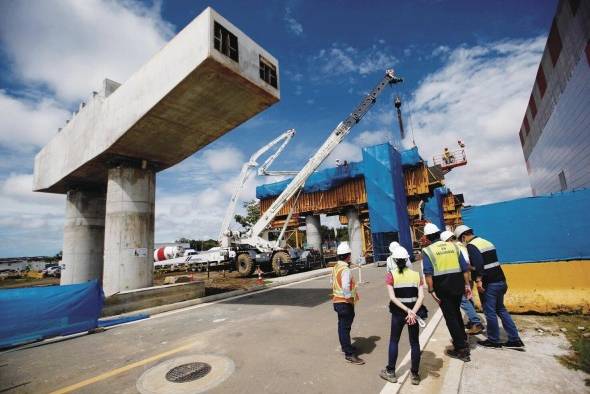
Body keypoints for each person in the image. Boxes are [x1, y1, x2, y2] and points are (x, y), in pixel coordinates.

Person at [454, 225, 525, 350]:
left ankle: (493, 340)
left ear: (464, 237)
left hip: (489, 283)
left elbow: (479, 264)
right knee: (501, 310)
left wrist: (478, 279)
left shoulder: (472, 245)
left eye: (461, 240)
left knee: (489, 312)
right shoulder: (486, 241)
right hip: (500, 280)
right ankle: (515, 339)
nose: (462, 242)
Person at [422, 223, 473, 362]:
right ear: (439, 234)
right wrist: (467, 285)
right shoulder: (454, 246)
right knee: (456, 313)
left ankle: (461, 350)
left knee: (450, 318)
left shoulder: (428, 251)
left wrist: (431, 290)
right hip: (458, 285)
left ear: (427, 237)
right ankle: (463, 340)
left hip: (442, 287)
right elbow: (465, 268)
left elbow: (428, 273)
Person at [380, 245, 424, 385]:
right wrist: (412, 312)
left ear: (394, 260)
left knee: (394, 340)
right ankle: (415, 374)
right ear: (406, 260)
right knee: (415, 343)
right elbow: (421, 297)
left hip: (398, 313)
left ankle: (391, 372)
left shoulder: (390, 275)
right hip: (414, 314)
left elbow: (393, 298)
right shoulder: (416, 275)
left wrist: (406, 310)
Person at [441, 230, 484, 335]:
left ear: (448, 240)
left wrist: (465, 283)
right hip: (467, 276)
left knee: (463, 300)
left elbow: (464, 266)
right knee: (468, 298)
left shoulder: (457, 248)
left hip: (463, 277)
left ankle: (476, 322)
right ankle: (472, 320)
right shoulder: (462, 246)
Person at [332, 241, 364, 364]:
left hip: (337, 301)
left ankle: (346, 347)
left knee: (342, 326)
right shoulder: (345, 269)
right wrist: (349, 300)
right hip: (345, 302)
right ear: (348, 255)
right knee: (345, 328)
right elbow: (345, 287)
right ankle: (349, 354)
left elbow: (332, 282)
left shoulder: (336, 267)